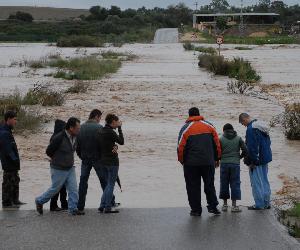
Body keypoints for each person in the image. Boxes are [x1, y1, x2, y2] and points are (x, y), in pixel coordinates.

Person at [177, 107, 221, 216]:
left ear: (189, 115)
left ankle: (196, 210)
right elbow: (217, 144)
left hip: (191, 164)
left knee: (193, 186)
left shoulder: (185, 128)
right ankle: (213, 207)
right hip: (208, 161)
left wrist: (182, 161)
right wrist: (217, 158)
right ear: (199, 114)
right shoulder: (210, 126)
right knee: (209, 184)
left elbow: (180, 147)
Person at [35, 117, 82, 215]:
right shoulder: (59, 137)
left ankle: (73, 209)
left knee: (73, 189)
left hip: (70, 168)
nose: (79, 130)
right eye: (77, 128)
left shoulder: (76, 136)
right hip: (58, 168)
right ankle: (39, 201)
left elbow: (75, 150)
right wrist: (58, 160)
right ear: (71, 128)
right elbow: (48, 151)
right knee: (55, 189)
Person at [76, 109, 119, 214]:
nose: (100, 120)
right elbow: (104, 145)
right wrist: (114, 147)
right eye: (100, 118)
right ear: (96, 116)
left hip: (85, 158)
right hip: (98, 159)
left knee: (83, 182)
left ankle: (80, 206)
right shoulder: (100, 128)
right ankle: (110, 202)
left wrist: (80, 156)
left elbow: (77, 145)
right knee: (105, 181)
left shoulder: (80, 128)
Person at [239, 113, 272, 210]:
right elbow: (268, 143)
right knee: (265, 180)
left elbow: (252, 147)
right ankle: (266, 203)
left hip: (256, 161)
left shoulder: (251, 129)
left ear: (244, 119)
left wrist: (253, 161)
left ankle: (259, 204)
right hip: (265, 158)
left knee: (256, 182)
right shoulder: (262, 126)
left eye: (242, 123)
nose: (243, 125)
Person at [98, 114, 124, 214]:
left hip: (102, 161)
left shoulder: (100, 131)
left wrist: (115, 146)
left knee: (108, 184)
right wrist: (120, 129)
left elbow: (106, 145)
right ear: (113, 121)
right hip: (112, 161)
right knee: (110, 184)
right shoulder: (110, 132)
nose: (118, 124)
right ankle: (107, 207)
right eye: (117, 122)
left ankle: (102, 205)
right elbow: (121, 141)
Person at [219, 123, 248, 213]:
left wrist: (220, 158)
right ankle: (234, 206)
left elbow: (217, 151)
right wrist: (239, 157)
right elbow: (245, 150)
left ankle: (224, 205)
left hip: (224, 164)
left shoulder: (220, 139)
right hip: (235, 164)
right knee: (235, 184)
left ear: (224, 130)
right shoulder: (238, 138)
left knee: (224, 183)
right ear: (232, 129)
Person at [0, 111, 26, 209]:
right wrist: (14, 159)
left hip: (12, 163)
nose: (16, 121)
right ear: (9, 119)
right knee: (8, 182)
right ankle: (6, 202)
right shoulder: (4, 132)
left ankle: (15, 200)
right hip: (8, 162)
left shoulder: (7, 130)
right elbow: (7, 149)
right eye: (14, 119)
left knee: (15, 180)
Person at [49, 119, 68, 212]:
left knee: (61, 186)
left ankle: (63, 204)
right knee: (58, 186)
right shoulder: (57, 137)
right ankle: (54, 205)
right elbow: (50, 152)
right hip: (58, 166)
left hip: (57, 165)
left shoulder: (54, 136)